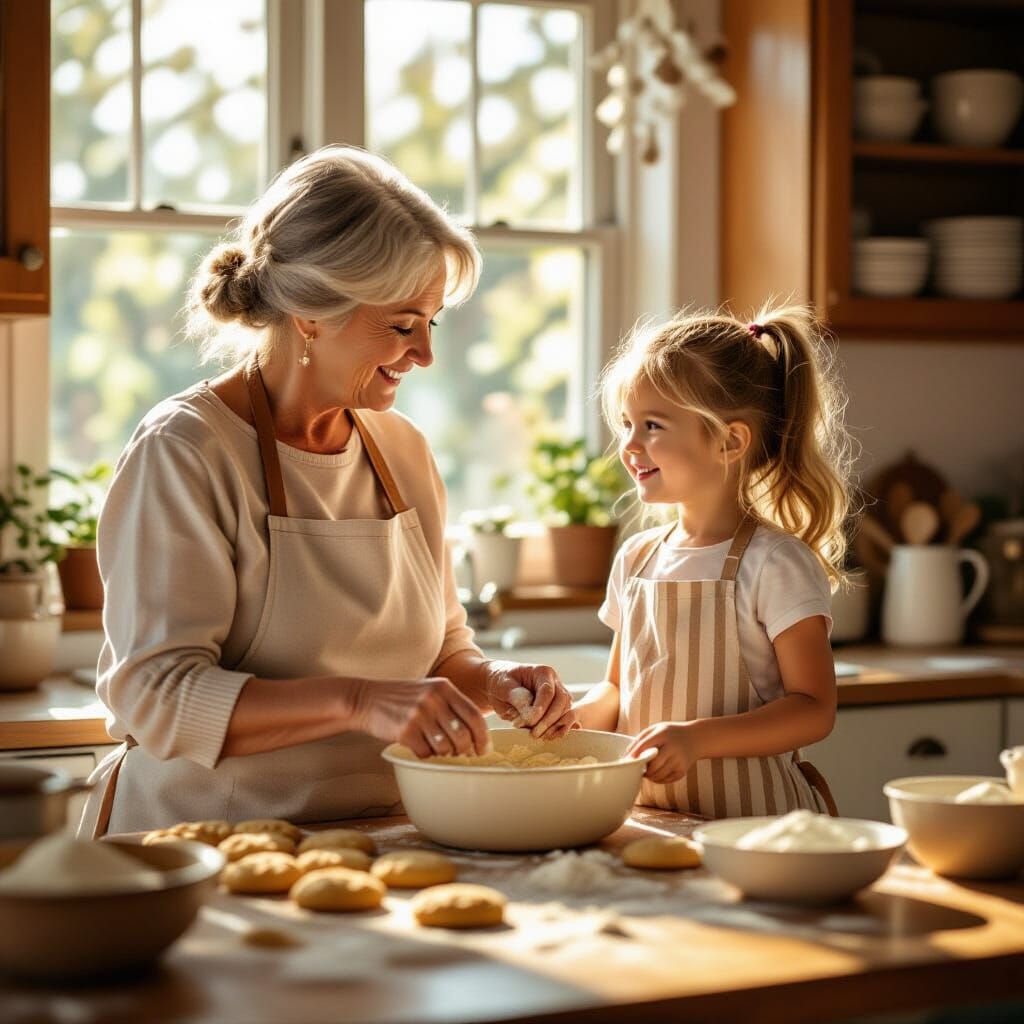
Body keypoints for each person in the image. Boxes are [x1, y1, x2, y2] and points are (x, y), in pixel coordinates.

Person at [78, 145, 578, 837]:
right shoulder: (187, 451)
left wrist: (493, 683)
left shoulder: (401, 451)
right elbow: (155, 697)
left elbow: (441, 651)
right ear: (311, 313)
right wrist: (359, 702)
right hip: (203, 847)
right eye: (402, 325)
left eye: (431, 323)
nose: (425, 354)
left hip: (383, 838)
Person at [573, 305, 855, 817]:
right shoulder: (636, 559)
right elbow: (618, 687)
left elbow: (814, 710)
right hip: (652, 818)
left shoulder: (774, 564)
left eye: (652, 425)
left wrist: (698, 739)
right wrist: (576, 719)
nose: (629, 446)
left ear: (730, 440)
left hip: (757, 828)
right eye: (625, 424)